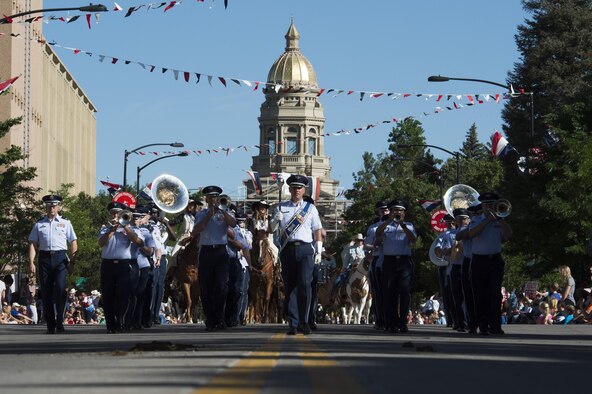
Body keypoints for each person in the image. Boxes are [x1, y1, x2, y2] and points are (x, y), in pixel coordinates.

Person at [272, 174, 323, 335]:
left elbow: (317, 231)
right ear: (290, 189)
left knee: (304, 284)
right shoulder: (281, 207)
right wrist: (275, 221)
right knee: (290, 286)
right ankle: (293, 323)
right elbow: (270, 230)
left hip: (306, 250)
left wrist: (319, 250)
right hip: (288, 249)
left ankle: (305, 321)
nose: (296, 190)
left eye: (299, 188)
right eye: (293, 187)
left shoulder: (310, 209)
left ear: (304, 190)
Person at [28, 194, 78, 334]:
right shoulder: (39, 224)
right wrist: (31, 262)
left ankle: (60, 321)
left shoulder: (65, 223)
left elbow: (73, 242)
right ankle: (50, 324)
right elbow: (33, 243)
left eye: (54, 205)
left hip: (60, 257)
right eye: (49, 205)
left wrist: (73, 261)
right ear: (46, 207)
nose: (51, 208)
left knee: (61, 290)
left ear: (59, 207)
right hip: (44, 258)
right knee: (46, 292)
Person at [191, 185, 237, 331]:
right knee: (206, 288)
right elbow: (195, 230)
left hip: (221, 252)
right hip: (206, 252)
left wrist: (223, 212)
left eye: (215, 197)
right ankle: (210, 320)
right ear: (206, 199)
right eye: (210, 197)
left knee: (222, 287)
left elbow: (234, 225)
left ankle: (220, 318)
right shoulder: (201, 214)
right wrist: (209, 215)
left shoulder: (224, 213)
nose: (213, 200)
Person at [467, 192, 512, 335]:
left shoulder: (499, 221)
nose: (489, 207)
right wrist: (487, 221)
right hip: (479, 261)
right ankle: (483, 326)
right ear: (482, 206)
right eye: (486, 205)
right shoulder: (476, 220)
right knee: (480, 295)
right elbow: (472, 234)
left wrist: (501, 219)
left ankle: (496, 326)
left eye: (491, 205)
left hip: (495, 260)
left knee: (495, 294)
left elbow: (508, 237)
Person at [98, 201, 144, 333]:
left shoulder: (131, 229)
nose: (115, 215)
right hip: (107, 265)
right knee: (108, 296)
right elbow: (101, 243)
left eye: (118, 213)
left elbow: (139, 242)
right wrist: (112, 229)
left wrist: (125, 227)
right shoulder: (104, 228)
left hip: (124, 265)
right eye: (113, 213)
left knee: (124, 295)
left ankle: (121, 320)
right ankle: (111, 324)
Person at [375, 199, 417, 334]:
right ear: (391, 211)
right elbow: (377, 234)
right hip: (389, 262)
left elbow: (413, 239)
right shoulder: (385, 225)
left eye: (400, 210)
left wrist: (402, 225)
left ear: (404, 213)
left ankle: (403, 321)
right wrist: (388, 220)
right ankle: (391, 322)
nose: (397, 212)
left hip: (404, 261)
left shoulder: (409, 225)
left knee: (405, 292)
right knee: (389, 292)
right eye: (395, 210)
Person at [442, 208, 471, 332]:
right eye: (459, 219)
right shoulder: (448, 235)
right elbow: (444, 252)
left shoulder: (472, 230)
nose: (461, 221)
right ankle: (460, 322)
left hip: (468, 265)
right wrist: (453, 248)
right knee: (457, 297)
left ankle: (471, 321)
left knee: (469, 296)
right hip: (455, 266)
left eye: (464, 218)